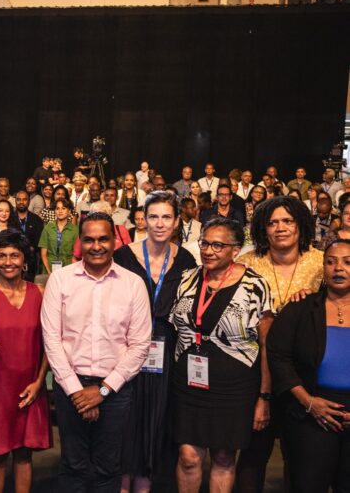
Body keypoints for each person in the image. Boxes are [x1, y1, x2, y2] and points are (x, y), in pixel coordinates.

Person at [41, 211, 152, 493]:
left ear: (115, 240)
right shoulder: (60, 280)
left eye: (103, 239)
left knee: (108, 468)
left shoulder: (133, 283)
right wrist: (77, 392)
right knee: (73, 466)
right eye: (89, 239)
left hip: (115, 390)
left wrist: (102, 391)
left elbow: (140, 345)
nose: (97, 246)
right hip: (70, 386)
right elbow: (51, 339)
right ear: (80, 242)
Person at [168, 218, 275, 493]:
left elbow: (267, 346)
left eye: (218, 245)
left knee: (224, 457)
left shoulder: (255, 285)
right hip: (188, 382)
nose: (208, 251)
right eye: (204, 243)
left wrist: (264, 397)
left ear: (236, 250)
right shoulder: (187, 278)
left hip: (234, 387)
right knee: (188, 457)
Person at [235, 195, 323, 492]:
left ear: (301, 225)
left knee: (300, 456)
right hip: (255, 369)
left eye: (287, 221)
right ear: (263, 228)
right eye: (273, 223)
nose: (280, 228)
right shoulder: (246, 264)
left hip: (304, 372)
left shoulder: (321, 262)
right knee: (253, 451)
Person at [115, 191, 197, 493]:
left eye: (166, 217)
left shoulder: (186, 260)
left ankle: (144, 487)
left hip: (167, 349)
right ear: (143, 220)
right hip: (127, 346)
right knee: (127, 421)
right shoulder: (123, 256)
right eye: (153, 217)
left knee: (156, 421)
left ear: (176, 222)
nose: (159, 223)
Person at [0, 230, 52, 493]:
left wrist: (39, 382)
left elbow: (50, 343)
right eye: (2, 256)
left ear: (24, 260)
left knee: (24, 453)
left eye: (14, 255)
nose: (8, 262)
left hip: (29, 385)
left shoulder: (40, 293)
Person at [268, 239, 350, 493]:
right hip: (311, 410)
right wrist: (309, 402)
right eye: (330, 262)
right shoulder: (301, 308)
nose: (338, 268)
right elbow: (278, 356)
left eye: (348, 262)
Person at [39, 199, 78, 274]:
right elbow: (43, 254)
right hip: (49, 266)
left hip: (68, 268)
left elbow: (76, 255)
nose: (60, 211)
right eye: (57, 208)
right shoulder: (48, 228)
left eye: (63, 208)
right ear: (54, 211)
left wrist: (71, 272)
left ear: (69, 211)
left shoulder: (75, 230)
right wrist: (48, 271)